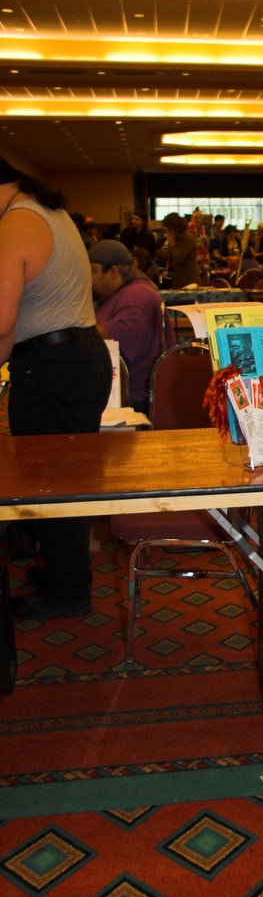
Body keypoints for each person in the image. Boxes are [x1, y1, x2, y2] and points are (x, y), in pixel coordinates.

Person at [0, 156, 113, 619]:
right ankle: (64, 576)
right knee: (68, 479)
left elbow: (1, 322)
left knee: (51, 484)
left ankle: (66, 592)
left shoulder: (17, 222)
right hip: (80, 357)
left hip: (51, 365)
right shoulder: (51, 212)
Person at [89, 239, 164, 415]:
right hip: (120, 393)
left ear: (114, 271)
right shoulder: (123, 293)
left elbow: (117, 337)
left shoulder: (137, 295)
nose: (87, 279)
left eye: (92, 272)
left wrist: (73, 332)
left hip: (135, 401)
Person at [160, 212, 198, 288]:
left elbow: (178, 258)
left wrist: (172, 243)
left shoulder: (188, 238)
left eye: (168, 228)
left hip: (188, 277)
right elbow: (170, 257)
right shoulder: (176, 238)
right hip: (177, 275)